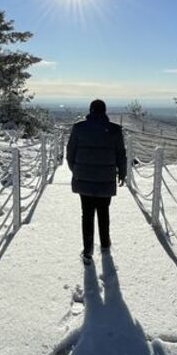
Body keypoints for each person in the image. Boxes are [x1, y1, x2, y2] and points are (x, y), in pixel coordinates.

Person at [67, 99, 127, 265]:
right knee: (103, 211)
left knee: (86, 214)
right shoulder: (115, 130)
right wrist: (122, 173)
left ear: (91, 110)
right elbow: (121, 154)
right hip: (105, 179)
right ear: (104, 111)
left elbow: (70, 153)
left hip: (83, 179)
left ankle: (87, 252)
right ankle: (105, 245)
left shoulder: (79, 128)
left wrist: (77, 170)